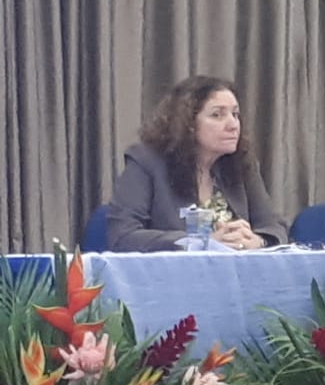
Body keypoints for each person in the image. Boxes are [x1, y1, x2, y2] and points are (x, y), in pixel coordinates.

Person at [107, 75, 288, 252]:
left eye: (235, 114)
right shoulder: (146, 161)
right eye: (217, 115)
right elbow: (122, 235)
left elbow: (275, 227)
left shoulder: (240, 164)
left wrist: (257, 241)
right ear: (187, 123)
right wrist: (200, 243)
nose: (233, 125)